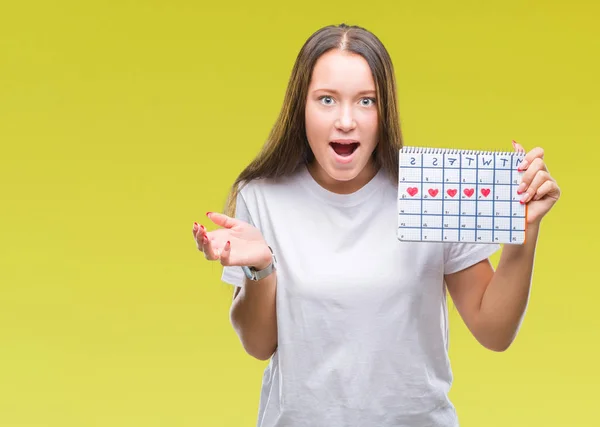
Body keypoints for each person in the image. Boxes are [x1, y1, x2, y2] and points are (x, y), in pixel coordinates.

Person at [192, 23, 560, 427]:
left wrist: (521, 232)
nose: (346, 120)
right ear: (301, 106)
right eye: (326, 99)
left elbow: (494, 331)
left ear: (385, 110)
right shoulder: (262, 196)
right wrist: (261, 267)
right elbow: (259, 345)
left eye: (366, 101)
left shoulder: (432, 190)